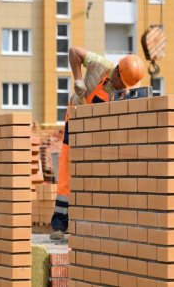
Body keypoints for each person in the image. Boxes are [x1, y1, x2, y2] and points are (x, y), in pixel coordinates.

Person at [50, 47, 145, 241]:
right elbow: (73, 52)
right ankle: (60, 223)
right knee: (67, 170)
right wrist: (78, 80)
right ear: (117, 71)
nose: (122, 89)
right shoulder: (100, 65)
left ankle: (90, 222)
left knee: (96, 173)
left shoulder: (126, 90)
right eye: (121, 84)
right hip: (76, 119)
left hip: (98, 129)